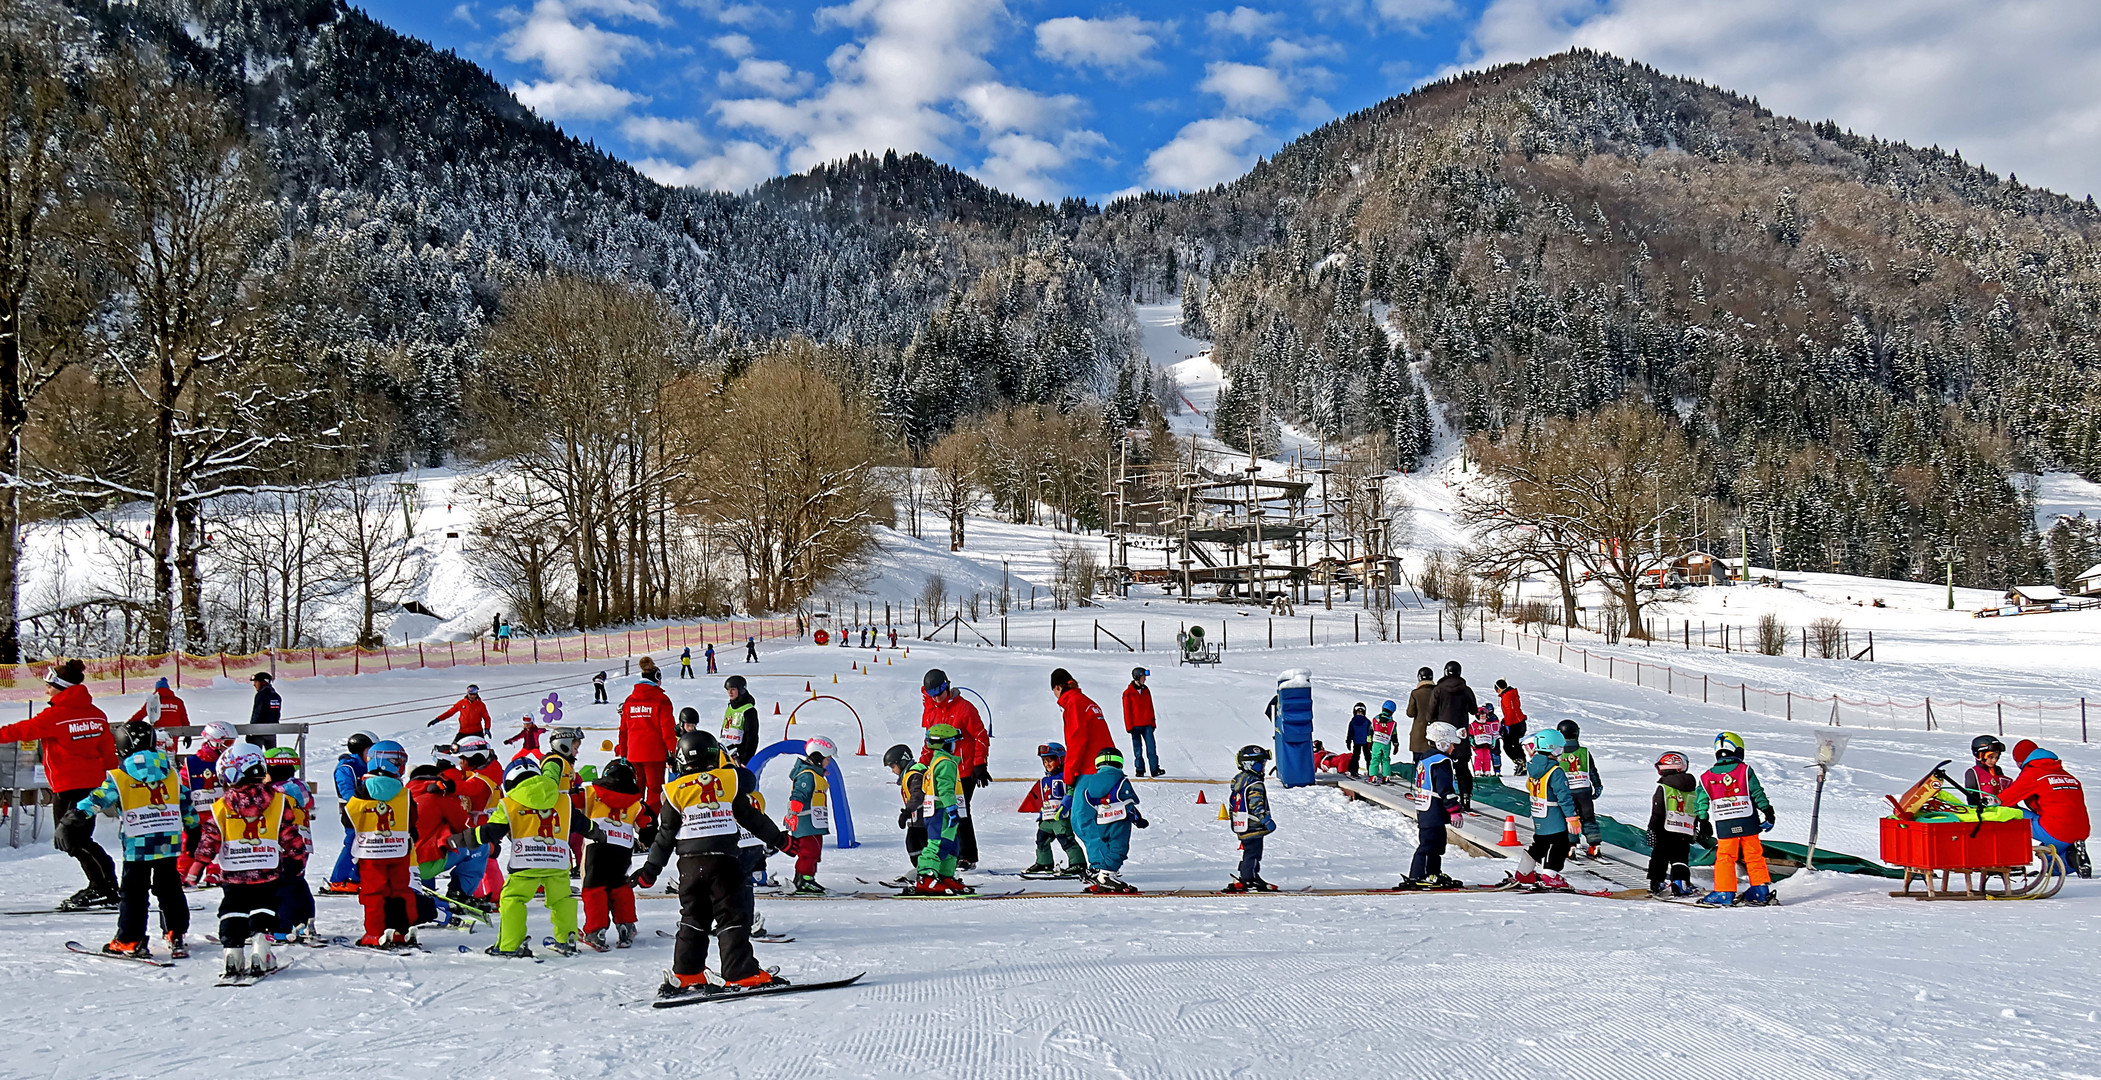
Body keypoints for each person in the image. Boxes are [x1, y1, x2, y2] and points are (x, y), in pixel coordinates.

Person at [632, 730, 790, 997]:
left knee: (693, 918)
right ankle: (741, 972)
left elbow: (665, 835)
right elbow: (749, 815)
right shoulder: (728, 780)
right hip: (723, 862)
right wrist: (779, 840)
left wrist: (650, 870)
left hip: (690, 867)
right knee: (731, 916)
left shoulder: (673, 791)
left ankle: (686, 972)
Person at [0, 661, 119, 910]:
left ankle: (104, 887)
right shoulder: (96, 713)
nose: (46, 692)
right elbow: (107, 751)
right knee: (76, 837)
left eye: (49, 687)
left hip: (69, 786)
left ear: (61, 688)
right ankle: (104, 885)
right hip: (93, 786)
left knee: (72, 839)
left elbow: (20, 731)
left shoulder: (55, 715)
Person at [187, 741, 308, 979]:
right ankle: (260, 948)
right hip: (267, 867)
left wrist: (197, 866)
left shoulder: (220, 807)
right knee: (265, 904)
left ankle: (232, 952)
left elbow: (210, 839)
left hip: (234, 872)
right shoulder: (278, 801)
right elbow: (289, 833)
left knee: (233, 907)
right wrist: (296, 858)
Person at [77, 719, 196, 960]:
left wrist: (75, 816)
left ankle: (130, 939)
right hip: (168, 842)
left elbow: (99, 799)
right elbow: (186, 804)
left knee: (133, 892)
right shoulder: (171, 774)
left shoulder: (120, 776)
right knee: (170, 888)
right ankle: (175, 932)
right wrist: (194, 831)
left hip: (137, 845)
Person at [476, 757, 587, 958]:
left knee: (513, 898)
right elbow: (583, 824)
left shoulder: (508, 803)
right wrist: (597, 833)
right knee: (562, 899)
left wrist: (465, 838)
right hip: (557, 861)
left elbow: (490, 831)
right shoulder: (563, 799)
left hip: (525, 863)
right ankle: (568, 938)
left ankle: (510, 944)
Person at [345, 740, 420, 948]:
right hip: (398, 850)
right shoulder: (405, 793)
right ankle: (401, 929)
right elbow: (413, 819)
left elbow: (347, 818)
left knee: (373, 892)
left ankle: (375, 931)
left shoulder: (362, 791)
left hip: (371, 852)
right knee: (399, 889)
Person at [1692, 731, 1777, 907]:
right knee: (1754, 855)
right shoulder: (1745, 770)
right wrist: (1767, 811)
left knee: (1725, 856)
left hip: (1725, 822)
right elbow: (1756, 792)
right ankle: (1760, 890)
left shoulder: (1706, 777)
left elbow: (1701, 800)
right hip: (1748, 820)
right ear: (1738, 750)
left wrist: (1703, 819)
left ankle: (1724, 892)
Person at [921, 668, 992, 867]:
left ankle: (967, 855)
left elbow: (980, 736)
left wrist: (980, 764)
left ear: (947, 687)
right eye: (931, 695)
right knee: (940, 812)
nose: (936, 699)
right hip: (940, 771)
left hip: (963, 771)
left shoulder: (965, 708)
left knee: (960, 810)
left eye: (939, 693)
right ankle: (947, 852)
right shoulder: (931, 710)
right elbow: (929, 742)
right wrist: (921, 766)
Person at [579, 757, 651, 950]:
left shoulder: (591, 792)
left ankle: (596, 930)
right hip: (621, 848)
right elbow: (647, 824)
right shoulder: (636, 802)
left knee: (594, 888)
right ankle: (626, 925)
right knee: (620, 886)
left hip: (596, 845)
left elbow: (571, 803)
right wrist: (648, 837)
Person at [2001, 739, 2090, 875]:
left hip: (2057, 829)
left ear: (2021, 760)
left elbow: (2003, 801)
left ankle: (2009, 861)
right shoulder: (2066, 775)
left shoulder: (2033, 774)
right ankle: (2072, 859)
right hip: (2081, 830)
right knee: (2049, 854)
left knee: (2009, 813)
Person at [1401, 723, 1467, 890]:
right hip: (1433, 809)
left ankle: (1433, 872)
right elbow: (1445, 788)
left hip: (1426, 807)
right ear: (1442, 743)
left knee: (1437, 843)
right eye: (1451, 744)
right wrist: (1454, 809)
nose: (1453, 748)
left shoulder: (1425, 758)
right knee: (1429, 843)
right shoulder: (1441, 761)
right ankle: (1418, 875)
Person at [1071, 747, 1146, 893]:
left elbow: (1089, 800)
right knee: (1119, 848)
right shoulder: (1120, 780)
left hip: (1102, 821)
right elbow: (1128, 801)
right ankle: (1107, 876)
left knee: (1108, 847)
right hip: (1119, 819)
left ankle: (1105, 875)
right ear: (1119, 763)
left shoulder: (1091, 781)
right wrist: (1137, 818)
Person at [1514, 729, 1579, 892]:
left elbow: (1529, 786)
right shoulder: (1555, 771)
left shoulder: (1533, 767)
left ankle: (1524, 871)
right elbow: (1564, 796)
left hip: (1539, 814)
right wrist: (1572, 817)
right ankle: (1550, 874)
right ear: (1554, 748)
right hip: (1554, 815)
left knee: (1540, 844)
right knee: (1561, 843)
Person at [263, 747, 317, 942]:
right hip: (303, 843)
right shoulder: (301, 788)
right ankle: (304, 921)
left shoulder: (275, 793)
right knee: (297, 881)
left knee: (281, 885)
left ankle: (282, 926)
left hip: (283, 844)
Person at [907, 724, 968, 894]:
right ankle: (925, 878)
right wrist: (951, 808)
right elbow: (945, 788)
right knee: (937, 844)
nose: (955, 746)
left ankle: (944, 875)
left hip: (941, 811)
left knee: (951, 845)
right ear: (946, 744)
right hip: (941, 812)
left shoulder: (938, 761)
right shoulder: (946, 763)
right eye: (953, 742)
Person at [445, 737, 503, 904]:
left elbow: (470, 788)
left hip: (483, 825)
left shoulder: (483, 779)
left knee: (484, 860)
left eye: (463, 759)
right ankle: (479, 893)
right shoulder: (487, 771)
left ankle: (493, 895)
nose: (460, 763)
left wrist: (448, 786)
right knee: (478, 860)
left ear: (475, 757)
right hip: (483, 824)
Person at [179, 721, 236, 889]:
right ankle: (183, 870)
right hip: (198, 811)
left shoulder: (230, 761)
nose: (229, 747)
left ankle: (215, 869)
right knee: (190, 840)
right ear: (214, 740)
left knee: (220, 839)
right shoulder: (191, 763)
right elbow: (183, 786)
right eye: (227, 743)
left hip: (220, 810)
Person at [1018, 742, 1085, 877]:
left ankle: (1078, 864)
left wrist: (1064, 806)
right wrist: (1042, 813)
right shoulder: (1045, 780)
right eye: (1044, 761)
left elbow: (1071, 793)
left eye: (1050, 760)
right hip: (1048, 817)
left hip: (1061, 817)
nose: (1047, 764)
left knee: (1065, 839)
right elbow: (1046, 799)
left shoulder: (1066, 777)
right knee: (1041, 839)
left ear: (1060, 759)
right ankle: (1044, 862)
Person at [321, 731, 375, 895]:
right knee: (353, 842)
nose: (372, 755)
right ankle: (338, 880)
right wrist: (359, 805)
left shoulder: (370, 765)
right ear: (360, 749)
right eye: (370, 751)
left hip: (369, 811)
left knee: (367, 844)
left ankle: (356, 878)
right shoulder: (347, 767)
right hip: (352, 811)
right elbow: (347, 792)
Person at [783, 736, 837, 895]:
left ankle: (804, 877)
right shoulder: (807, 775)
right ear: (818, 757)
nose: (829, 762)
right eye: (828, 758)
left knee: (813, 850)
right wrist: (794, 811)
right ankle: (804, 880)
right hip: (806, 822)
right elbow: (799, 793)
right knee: (809, 851)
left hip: (814, 822)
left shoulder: (816, 774)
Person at [618, 669, 677, 812]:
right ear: (657, 679)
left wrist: (623, 753)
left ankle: (633, 820)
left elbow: (623, 730)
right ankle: (651, 823)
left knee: (635, 790)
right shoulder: (661, 700)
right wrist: (674, 751)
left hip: (633, 754)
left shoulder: (630, 700)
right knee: (655, 791)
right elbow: (668, 730)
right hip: (654, 755)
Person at [408, 763, 469, 899]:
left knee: (427, 840)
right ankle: (460, 892)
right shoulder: (438, 796)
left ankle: (425, 893)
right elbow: (463, 826)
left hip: (403, 864)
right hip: (425, 865)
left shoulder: (402, 795)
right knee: (479, 846)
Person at [1645, 751, 1698, 898]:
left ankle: (1657, 883)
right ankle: (1681, 884)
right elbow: (1697, 809)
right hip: (1684, 829)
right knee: (1680, 857)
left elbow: (1658, 810)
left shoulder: (1664, 787)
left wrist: (1652, 829)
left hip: (1665, 828)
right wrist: (1696, 828)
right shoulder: (1692, 789)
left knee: (1659, 855)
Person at [1051, 668, 1112, 790]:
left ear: (1057, 687)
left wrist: (1069, 775)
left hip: (1090, 770)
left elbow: (1076, 741)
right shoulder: (1087, 702)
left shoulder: (1073, 704)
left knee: (1078, 809)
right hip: (1108, 764)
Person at [1225, 744, 1276, 892]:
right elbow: (1255, 803)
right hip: (1253, 824)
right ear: (1251, 764)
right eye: (1262, 764)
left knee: (1248, 851)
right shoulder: (1255, 783)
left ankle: (1247, 875)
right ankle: (1249, 878)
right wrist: (1265, 819)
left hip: (1242, 823)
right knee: (1254, 852)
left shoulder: (1239, 781)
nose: (1264, 768)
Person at [1554, 719, 1605, 857]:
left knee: (1570, 817)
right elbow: (1592, 771)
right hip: (1584, 791)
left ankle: (1570, 846)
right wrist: (1597, 785)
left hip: (1566, 792)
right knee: (1588, 817)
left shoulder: (1557, 753)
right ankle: (1594, 845)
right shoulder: (1584, 752)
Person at [1429, 661, 1477, 804]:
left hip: (1443, 736)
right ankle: (1466, 795)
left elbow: (1430, 715)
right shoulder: (1466, 690)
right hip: (1460, 734)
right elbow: (1474, 710)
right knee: (1462, 768)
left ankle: (1444, 797)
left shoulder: (1438, 690)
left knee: (1443, 765)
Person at [886, 744, 930, 880]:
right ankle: (921, 871)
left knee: (923, 844)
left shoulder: (915, 775)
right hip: (916, 820)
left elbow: (918, 795)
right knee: (912, 843)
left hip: (924, 819)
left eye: (893, 767)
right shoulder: (910, 775)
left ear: (902, 762)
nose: (893, 771)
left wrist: (907, 812)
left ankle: (928, 871)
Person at [1122, 667, 1162, 778]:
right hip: (1135, 726)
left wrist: (1153, 723)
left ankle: (1155, 769)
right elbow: (1127, 711)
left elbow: (1150, 707)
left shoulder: (1146, 690)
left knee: (1151, 747)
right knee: (1137, 749)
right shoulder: (1128, 693)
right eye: (1143, 677)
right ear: (1137, 677)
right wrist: (1129, 726)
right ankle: (1140, 769)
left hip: (1147, 725)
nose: (1145, 679)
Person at [720, 675, 760, 766]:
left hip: (740, 758)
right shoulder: (730, 707)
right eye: (728, 690)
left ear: (741, 690)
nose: (730, 692)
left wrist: (746, 760)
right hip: (726, 754)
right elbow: (725, 730)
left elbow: (752, 738)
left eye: (733, 689)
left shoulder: (749, 710)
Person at [1964, 735, 2013, 803]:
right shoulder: (1973, 772)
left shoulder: (1997, 770)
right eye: (1991, 757)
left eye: (1997, 757)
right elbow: (1971, 797)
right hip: (1985, 811)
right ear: (1979, 755)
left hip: (2002, 807)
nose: (1994, 760)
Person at [1495, 679, 1527, 775]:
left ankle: (1520, 763)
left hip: (1514, 724)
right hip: (1519, 721)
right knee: (1515, 744)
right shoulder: (1512, 693)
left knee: (1508, 746)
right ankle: (1522, 763)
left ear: (1499, 689)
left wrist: (1507, 725)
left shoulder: (1506, 696)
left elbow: (1510, 711)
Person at [1403, 666, 1436, 758]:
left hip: (1419, 734)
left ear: (1419, 677)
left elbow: (1410, 713)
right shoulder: (1438, 692)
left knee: (1419, 764)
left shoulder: (1416, 693)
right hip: (1435, 732)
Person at [246, 671, 281, 749]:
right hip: (272, 731)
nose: (254, 684)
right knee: (272, 755)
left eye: (256, 682)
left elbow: (257, 713)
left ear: (263, 682)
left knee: (256, 755)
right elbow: (277, 715)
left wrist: (251, 730)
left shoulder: (261, 695)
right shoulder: (276, 696)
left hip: (259, 731)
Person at [1367, 701, 1399, 784]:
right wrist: (1396, 745)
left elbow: (1370, 731)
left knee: (1375, 759)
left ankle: (1373, 776)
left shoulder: (1375, 720)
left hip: (1376, 742)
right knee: (1385, 759)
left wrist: (1369, 742)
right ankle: (1386, 776)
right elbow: (1394, 735)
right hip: (1386, 743)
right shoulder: (1392, 723)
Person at [1468, 702, 1502, 778]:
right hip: (1478, 745)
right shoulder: (1473, 725)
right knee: (1479, 757)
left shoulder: (1488, 724)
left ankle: (1487, 771)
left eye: (1485, 716)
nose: (1483, 718)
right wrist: (1471, 741)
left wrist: (1493, 742)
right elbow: (1470, 734)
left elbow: (1492, 734)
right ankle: (1478, 771)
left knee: (1487, 757)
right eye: (1481, 716)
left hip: (1487, 744)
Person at [1345, 702, 1371, 777]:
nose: (1360, 714)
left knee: (1356, 755)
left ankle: (1353, 770)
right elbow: (1370, 731)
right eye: (1358, 712)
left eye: (1361, 712)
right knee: (1367, 756)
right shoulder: (1367, 721)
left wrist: (1348, 741)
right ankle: (1371, 770)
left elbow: (1350, 732)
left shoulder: (1353, 721)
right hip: (1365, 742)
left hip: (1357, 741)